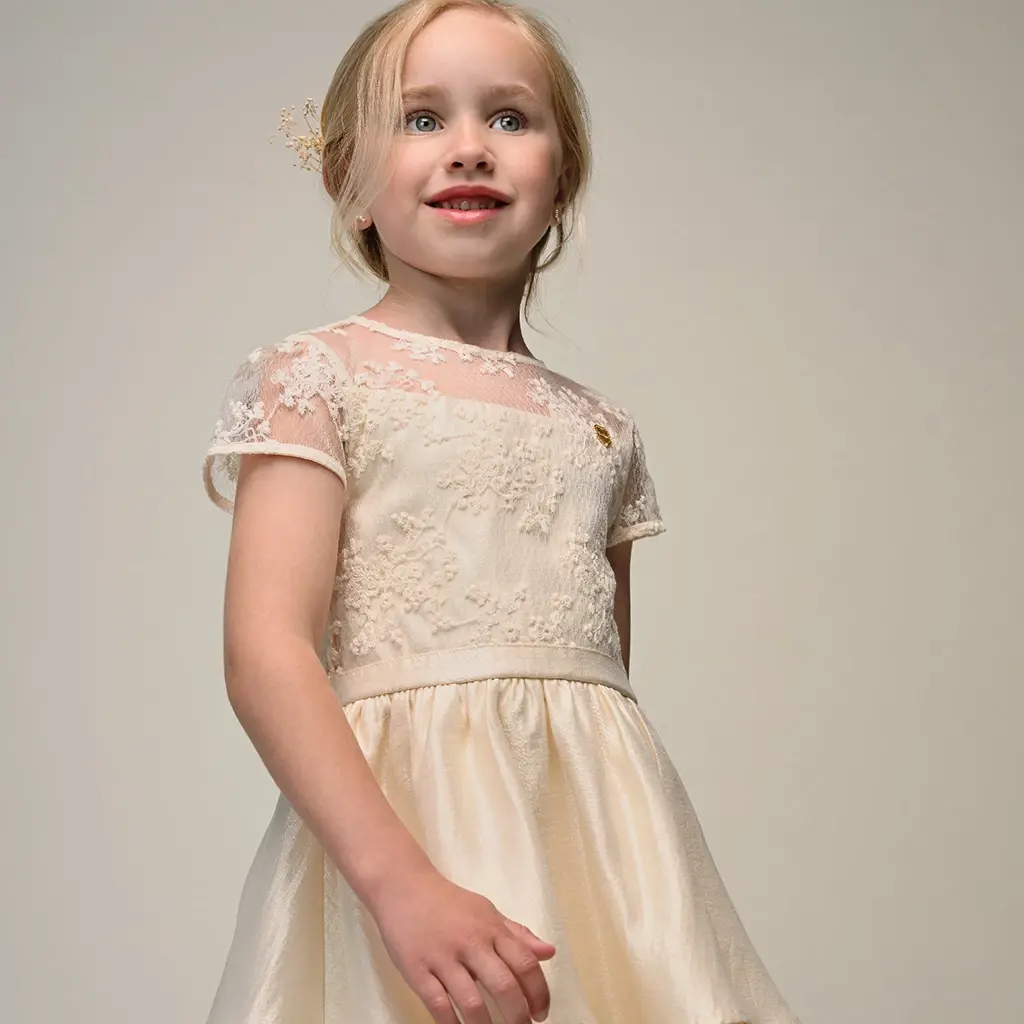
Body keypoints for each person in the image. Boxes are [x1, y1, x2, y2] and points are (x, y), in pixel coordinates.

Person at [200, 1, 803, 1022]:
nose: (470, 146)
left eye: (511, 117)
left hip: (602, 857)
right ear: (345, 179)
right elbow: (267, 653)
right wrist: (401, 883)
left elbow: (602, 695)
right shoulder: (317, 379)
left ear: (563, 177)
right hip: (398, 844)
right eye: (421, 117)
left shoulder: (603, 428)